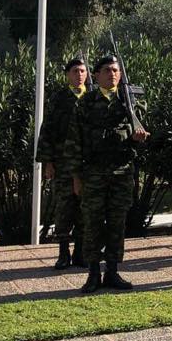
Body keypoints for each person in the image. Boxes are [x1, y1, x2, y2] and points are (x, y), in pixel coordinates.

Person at [64, 54, 150, 293]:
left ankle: (112, 271)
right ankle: (93, 273)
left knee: (116, 224)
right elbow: (74, 142)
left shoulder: (130, 102)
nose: (112, 74)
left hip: (122, 172)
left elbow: (141, 135)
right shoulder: (86, 103)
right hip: (93, 174)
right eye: (107, 70)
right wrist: (76, 177)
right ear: (97, 75)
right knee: (92, 224)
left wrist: (138, 137)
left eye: (115, 70)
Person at [35, 56, 91, 269]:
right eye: (75, 71)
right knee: (64, 208)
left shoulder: (92, 98)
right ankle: (63, 253)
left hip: (86, 164)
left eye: (83, 71)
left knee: (85, 209)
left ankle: (80, 252)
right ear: (67, 74)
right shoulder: (59, 99)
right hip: (63, 163)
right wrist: (48, 162)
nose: (79, 75)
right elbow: (47, 131)